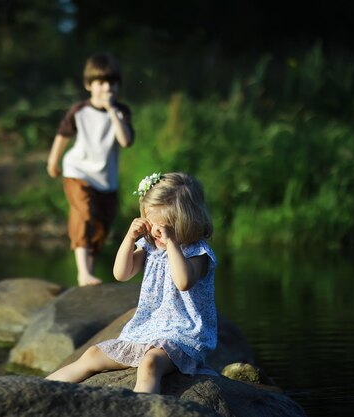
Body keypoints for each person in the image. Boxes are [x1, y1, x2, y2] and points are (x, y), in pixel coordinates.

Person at [46, 172, 217, 394]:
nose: (156, 232)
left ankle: (139, 408)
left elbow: (183, 281)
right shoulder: (149, 247)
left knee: (149, 364)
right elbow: (121, 273)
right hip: (146, 330)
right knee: (91, 355)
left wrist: (172, 243)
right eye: (151, 223)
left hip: (182, 335)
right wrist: (129, 238)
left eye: (164, 226)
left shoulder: (197, 253)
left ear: (186, 221)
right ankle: (37, 388)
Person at [47, 52, 134, 287]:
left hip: (106, 179)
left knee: (100, 227)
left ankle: (89, 274)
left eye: (111, 82)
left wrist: (112, 112)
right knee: (83, 214)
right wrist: (53, 162)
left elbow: (125, 141)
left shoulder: (122, 112)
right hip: (78, 171)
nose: (106, 87)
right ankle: (82, 272)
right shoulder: (79, 111)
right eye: (100, 83)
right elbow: (63, 135)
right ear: (88, 85)